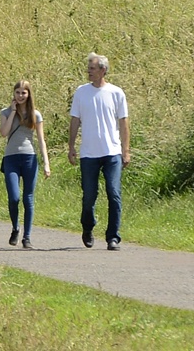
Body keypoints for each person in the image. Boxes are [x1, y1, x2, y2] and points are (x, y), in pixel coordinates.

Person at [68, 52, 129, 250]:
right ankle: (88, 226)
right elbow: (75, 120)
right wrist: (71, 147)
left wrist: (125, 150)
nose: (89, 71)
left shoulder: (116, 93)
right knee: (89, 196)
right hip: (88, 154)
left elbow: (123, 122)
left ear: (103, 70)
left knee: (114, 193)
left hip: (111, 152)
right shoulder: (81, 92)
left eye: (92, 68)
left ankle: (113, 237)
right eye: (88, 68)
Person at [1, 78, 52, 249]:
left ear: (29, 94)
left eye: (24, 92)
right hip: (11, 158)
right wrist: (13, 112)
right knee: (14, 197)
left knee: (28, 198)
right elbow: (4, 132)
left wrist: (46, 163)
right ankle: (15, 227)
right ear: (13, 94)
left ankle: (27, 237)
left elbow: (41, 140)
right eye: (18, 92)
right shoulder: (6, 112)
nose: (21, 95)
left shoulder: (35, 115)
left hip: (29, 157)